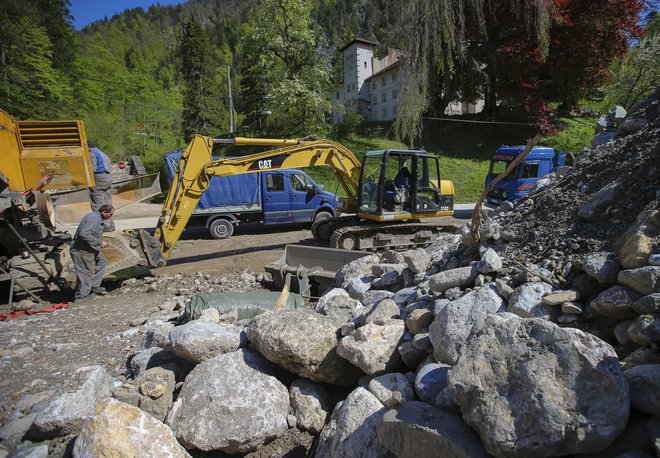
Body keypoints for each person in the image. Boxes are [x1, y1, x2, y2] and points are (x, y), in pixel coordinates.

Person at [71, 204, 115, 302]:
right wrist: (99, 242)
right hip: (81, 250)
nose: (111, 216)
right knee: (86, 272)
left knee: (102, 262)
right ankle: (81, 296)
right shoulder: (94, 219)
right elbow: (84, 234)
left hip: (89, 248)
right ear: (103, 212)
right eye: (110, 214)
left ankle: (94, 286)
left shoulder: (96, 218)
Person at [87, 140, 115, 231]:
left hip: (100, 178)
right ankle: (110, 225)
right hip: (109, 178)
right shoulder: (104, 154)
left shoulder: (92, 153)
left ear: (88, 147)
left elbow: (92, 169)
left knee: (98, 202)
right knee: (108, 203)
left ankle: (100, 226)